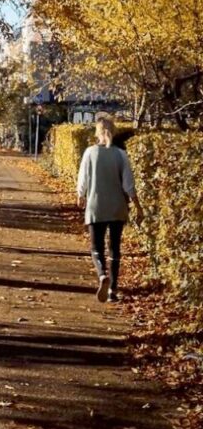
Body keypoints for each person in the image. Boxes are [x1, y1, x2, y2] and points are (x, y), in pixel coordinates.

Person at [77, 116, 143, 303]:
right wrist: (138, 206)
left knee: (96, 247)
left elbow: (83, 178)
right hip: (117, 207)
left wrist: (80, 195)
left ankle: (102, 275)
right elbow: (128, 184)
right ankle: (113, 290)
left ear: (97, 132)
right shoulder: (121, 154)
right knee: (115, 249)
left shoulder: (89, 152)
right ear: (113, 131)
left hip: (95, 205)